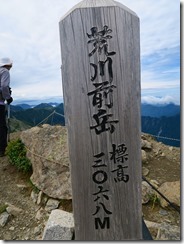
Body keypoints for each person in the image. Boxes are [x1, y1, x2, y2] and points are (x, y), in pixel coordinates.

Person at [0, 58, 13, 157]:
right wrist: (8, 97)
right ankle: (2, 150)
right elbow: (4, 86)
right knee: (2, 126)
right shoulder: (5, 72)